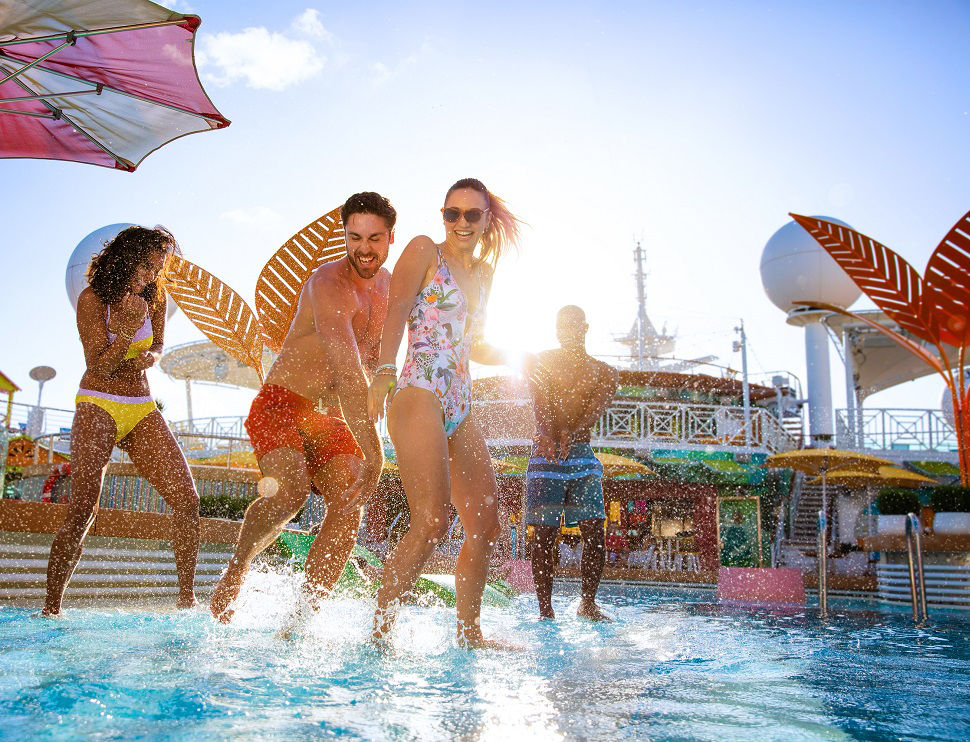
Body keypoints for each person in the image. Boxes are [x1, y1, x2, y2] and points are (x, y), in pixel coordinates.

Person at [209, 192, 395, 623]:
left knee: (349, 502)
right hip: (281, 405)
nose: (363, 248)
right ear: (345, 236)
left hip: (326, 417)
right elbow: (351, 374)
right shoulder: (328, 284)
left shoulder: (389, 288)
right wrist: (376, 451)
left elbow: (375, 366)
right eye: (354, 237)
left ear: (389, 239)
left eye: (374, 238)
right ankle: (237, 570)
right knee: (289, 493)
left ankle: (301, 621)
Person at [368, 177, 522, 649]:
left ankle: (469, 634)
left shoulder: (485, 274)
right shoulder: (422, 251)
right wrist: (382, 369)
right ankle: (379, 635)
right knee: (432, 521)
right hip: (419, 390)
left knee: (487, 527)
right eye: (451, 213)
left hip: (460, 400)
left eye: (471, 215)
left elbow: (472, 344)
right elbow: (395, 312)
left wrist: (527, 358)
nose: (460, 223)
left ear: (486, 220)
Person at [43, 227, 200, 616]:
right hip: (98, 401)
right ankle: (51, 609)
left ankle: (186, 601)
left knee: (187, 499)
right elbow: (99, 365)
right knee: (82, 508)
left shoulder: (155, 299)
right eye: (148, 265)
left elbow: (158, 344)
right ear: (126, 259)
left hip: (141, 405)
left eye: (158, 267)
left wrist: (152, 356)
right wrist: (127, 330)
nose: (152, 274)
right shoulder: (92, 300)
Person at [526, 305, 618, 621]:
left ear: (585, 328)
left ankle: (587, 603)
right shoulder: (542, 360)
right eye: (561, 327)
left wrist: (573, 433)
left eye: (572, 326)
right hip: (546, 453)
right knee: (544, 533)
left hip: (581, 453)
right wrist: (549, 435)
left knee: (594, 529)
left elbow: (595, 408)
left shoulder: (605, 372)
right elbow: (541, 400)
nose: (566, 332)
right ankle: (545, 609)